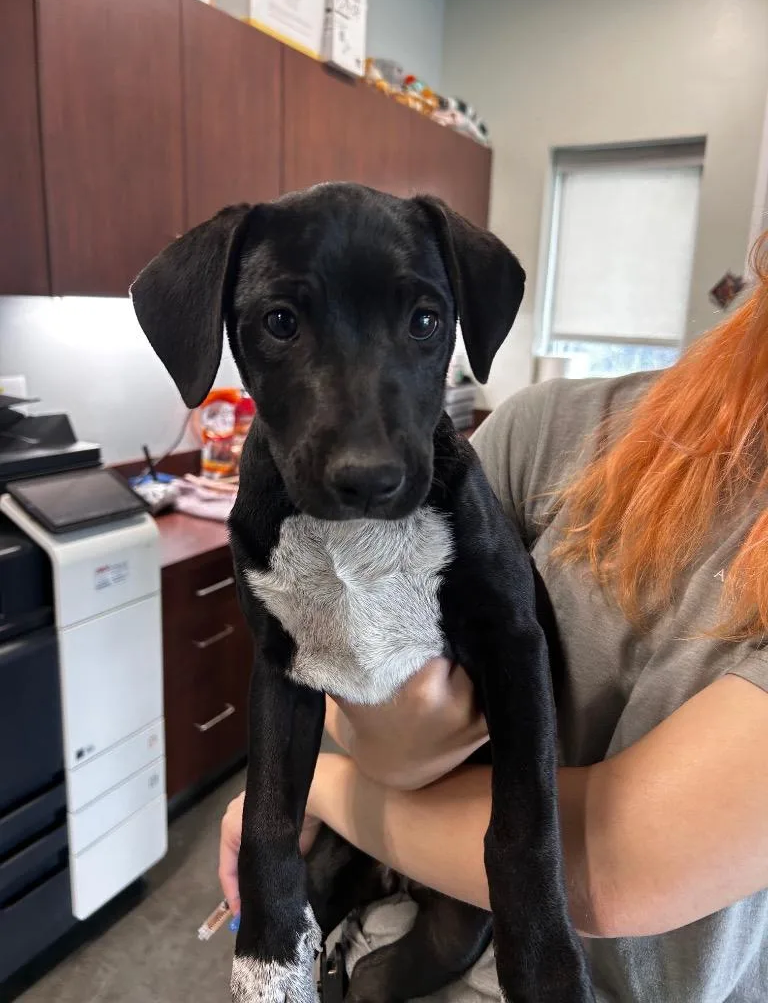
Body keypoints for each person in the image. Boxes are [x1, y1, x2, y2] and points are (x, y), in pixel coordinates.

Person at [219, 233, 768, 1002]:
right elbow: (368, 713)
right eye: (282, 323)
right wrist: (362, 747)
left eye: (420, 323)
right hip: (411, 938)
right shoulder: (551, 428)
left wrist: (319, 792)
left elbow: (617, 870)